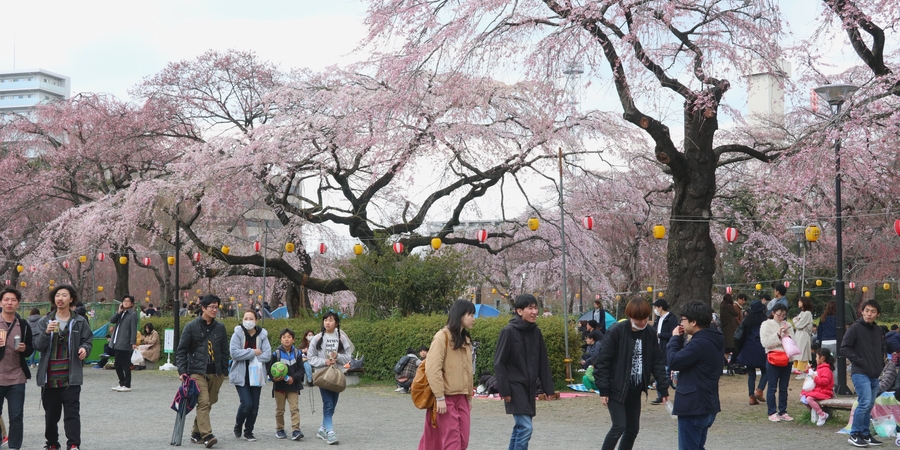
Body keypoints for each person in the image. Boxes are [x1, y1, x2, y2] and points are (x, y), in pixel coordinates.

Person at [594, 298, 668, 450]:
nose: (642, 322)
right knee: (619, 426)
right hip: (616, 388)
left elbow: (657, 361)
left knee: (632, 429)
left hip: (635, 389)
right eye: (638, 319)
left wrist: (663, 387)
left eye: (645, 318)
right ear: (629, 316)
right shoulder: (616, 331)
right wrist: (604, 389)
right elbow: (602, 363)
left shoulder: (649, 333)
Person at [35, 285, 93, 450]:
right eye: (57, 295)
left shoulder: (79, 321)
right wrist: (46, 332)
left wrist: (85, 349)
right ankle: (52, 443)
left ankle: (73, 444)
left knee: (72, 414)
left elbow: (87, 340)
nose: (60, 298)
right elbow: (38, 346)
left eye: (64, 295)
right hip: (49, 377)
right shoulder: (44, 321)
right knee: (51, 416)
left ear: (71, 299)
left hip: (71, 376)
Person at [494, 294, 554, 450]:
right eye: (530, 308)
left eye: (536, 308)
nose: (534, 312)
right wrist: (504, 390)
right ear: (519, 311)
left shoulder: (536, 332)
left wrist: (548, 389)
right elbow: (499, 362)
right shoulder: (508, 331)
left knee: (521, 427)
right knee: (526, 427)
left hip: (529, 387)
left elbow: (543, 362)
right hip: (514, 387)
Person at [418, 299, 475, 450]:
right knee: (452, 443)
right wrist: (439, 396)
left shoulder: (466, 339)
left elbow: (468, 371)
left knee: (463, 441)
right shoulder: (442, 337)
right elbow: (433, 368)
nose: (473, 318)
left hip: (462, 397)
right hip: (446, 397)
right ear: (460, 315)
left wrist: (469, 396)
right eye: (471, 314)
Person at [667, 301, 722, 450]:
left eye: (683, 319)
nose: (681, 323)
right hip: (706, 403)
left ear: (694, 321)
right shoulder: (713, 339)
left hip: (694, 406)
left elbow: (673, 361)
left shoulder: (699, 343)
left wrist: (674, 338)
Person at [176, 295, 229, 449]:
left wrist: (224, 371)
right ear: (203, 308)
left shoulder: (220, 327)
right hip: (197, 372)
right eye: (211, 307)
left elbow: (224, 351)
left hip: (216, 373)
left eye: (216, 307)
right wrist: (182, 371)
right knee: (203, 402)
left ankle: (195, 432)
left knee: (208, 403)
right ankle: (207, 435)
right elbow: (181, 351)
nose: (214, 310)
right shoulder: (191, 327)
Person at [842, 299, 886, 447]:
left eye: (873, 311)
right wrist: (859, 361)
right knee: (864, 402)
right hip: (860, 372)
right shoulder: (854, 328)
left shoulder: (878, 331)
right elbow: (844, 348)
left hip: (875, 373)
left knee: (869, 404)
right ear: (862, 311)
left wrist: (881, 363)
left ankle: (865, 434)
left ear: (877, 314)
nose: (869, 314)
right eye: (867, 310)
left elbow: (881, 350)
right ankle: (854, 434)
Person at [308, 311, 355, 445]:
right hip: (323, 376)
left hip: (337, 376)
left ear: (336, 323)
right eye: (325, 320)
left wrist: (337, 357)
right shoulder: (317, 338)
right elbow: (311, 358)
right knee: (328, 404)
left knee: (332, 405)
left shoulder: (341, 338)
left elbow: (348, 356)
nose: (327, 323)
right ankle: (330, 433)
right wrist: (325, 362)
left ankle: (322, 429)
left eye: (330, 320)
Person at [230, 310, 272, 442]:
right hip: (241, 374)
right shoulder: (237, 334)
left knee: (254, 406)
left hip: (257, 374)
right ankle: (238, 424)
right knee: (246, 403)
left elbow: (267, 355)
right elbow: (234, 354)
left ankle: (249, 431)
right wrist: (253, 352)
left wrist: (250, 355)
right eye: (245, 318)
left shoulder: (263, 335)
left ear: (256, 320)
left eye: (250, 318)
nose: (248, 321)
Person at [0, 288, 34, 450]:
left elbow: (30, 349)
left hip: (17, 376)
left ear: (18, 304)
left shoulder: (24, 325)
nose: (9, 303)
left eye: (13, 300)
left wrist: (24, 349)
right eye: (6, 299)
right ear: (1, 302)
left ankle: (14, 446)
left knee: (16, 415)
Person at [267, 328, 305, 441]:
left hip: (293, 386)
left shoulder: (297, 353)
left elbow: (301, 370)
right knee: (280, 410)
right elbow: (269, 370)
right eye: (284, 337)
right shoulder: (276, 354)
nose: (286, 339)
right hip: (279, 387)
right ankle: (280, 429)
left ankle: (296, 430)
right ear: (281, 340)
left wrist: (293, 378)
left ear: (293, 340)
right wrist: (275, 378)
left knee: (294, 408)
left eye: (289, 337)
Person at [760, 302, 794, 422]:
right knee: (772, 386)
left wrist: (787, 336)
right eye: (779, 314)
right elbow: (766, 343)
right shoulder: (766, 324)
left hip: (787, 358)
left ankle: (783, 411)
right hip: (773, 358)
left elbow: (792, 341)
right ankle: (772, 412)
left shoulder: (788, 324)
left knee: (784, 386)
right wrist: (779, 335)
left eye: (784, 315)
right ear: (773, 313)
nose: (781, 317)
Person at [736, 300, 768, 405]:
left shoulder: (746, 320)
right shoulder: (765, 320)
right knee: (766, 371)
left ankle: (751, 397)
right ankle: (759, 390)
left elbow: (739, 335)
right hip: (761, 348)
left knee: (751, 374)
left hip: (748, 348)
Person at [109, 295, 138, 392]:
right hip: (117, 342)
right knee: (117, 364)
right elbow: (112, 320)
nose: (125, 302)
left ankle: (127, 384)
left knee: (125, 365)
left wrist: (133, 342)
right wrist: (118, 312)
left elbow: (133, 329)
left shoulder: (132, 314)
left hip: (125, 342)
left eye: (128, 301)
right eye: (124, 301)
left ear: (132, 304)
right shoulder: (121, 313)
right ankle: (121, 383)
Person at [651, 298, 677, 405]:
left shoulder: (671, 318)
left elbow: (673, 334)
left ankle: (671, 388)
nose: (655, 310)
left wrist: (660, 335)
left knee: (667, 372)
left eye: (655, 307)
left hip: (667, 348)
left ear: (660, 307)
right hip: (658, 348)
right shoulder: (658, 319)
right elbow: (653, 330)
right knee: (660, 371)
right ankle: (660, 395)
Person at [801, 348, 835, 427]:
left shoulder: (826, 370)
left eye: (816, 357)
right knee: (802, 396)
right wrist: (808, 371)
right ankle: (816, 412)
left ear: (822, 358)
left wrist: (814, 377)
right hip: (819, 390)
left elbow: (824, 382)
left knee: (809, 398)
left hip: (825, 391)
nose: (815, 359)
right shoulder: (820, 368)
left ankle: (821, 414)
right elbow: (815, 374)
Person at [791, 297, 814, 377]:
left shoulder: (807, 313)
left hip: (804, 335)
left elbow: (798, 325)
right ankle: (801, 370)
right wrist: (796, 321)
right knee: (799, 353)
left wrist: (797, 321)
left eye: (800, 301)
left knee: (803, 353)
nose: (798, 303)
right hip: (799, 335)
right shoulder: (802, 313)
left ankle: (804, 371)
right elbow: (794, 320)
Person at [719, 294, 740, 368]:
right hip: (730, 327)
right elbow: (735, 313)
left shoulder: (722, 306)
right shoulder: (729, 306)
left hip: (724, 327)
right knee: (731, 345)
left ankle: (724, 360)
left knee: (727, 346)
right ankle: (728, 361)